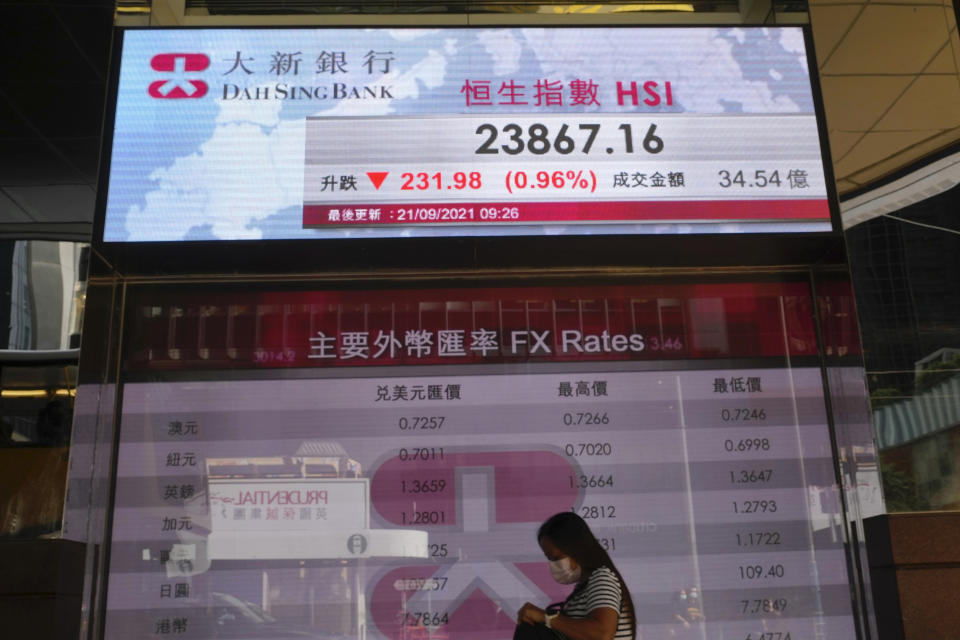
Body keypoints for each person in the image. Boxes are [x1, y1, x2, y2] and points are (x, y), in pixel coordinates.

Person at [514, 512, 636, 640]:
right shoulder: (584, 586)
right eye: (549, 559)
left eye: (556, 558)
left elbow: (602, 634)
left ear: (575, 548)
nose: (553, 564)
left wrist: (546, 618)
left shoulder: (601, 578)